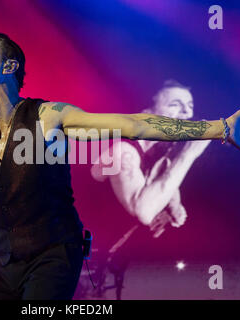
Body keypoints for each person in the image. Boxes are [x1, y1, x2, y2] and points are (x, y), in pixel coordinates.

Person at [0, 33, 240, 300]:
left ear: (8, 66)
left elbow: (134, 125)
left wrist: (218, 129)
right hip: (1, 266)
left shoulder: (48, 116)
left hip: (53, 257)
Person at [83, 80, 210, 299]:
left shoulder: (159, 154)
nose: (187, 113)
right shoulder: (123, 151)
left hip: (100, 255)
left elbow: (166, 185)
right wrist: (189, 154)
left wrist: (172, 207)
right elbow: (143, 210)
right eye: (175, 105)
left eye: (189, 106)